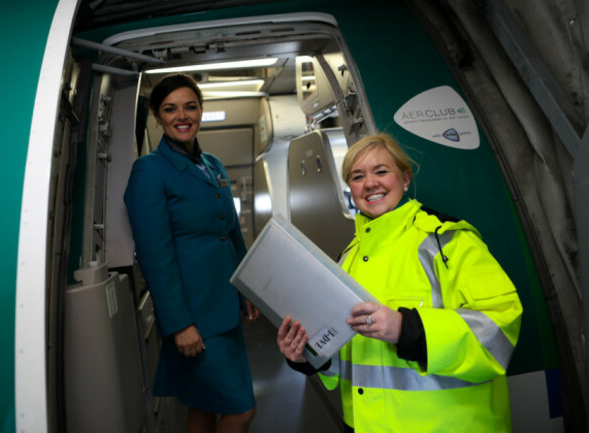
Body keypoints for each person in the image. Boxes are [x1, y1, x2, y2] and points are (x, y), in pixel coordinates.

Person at [277, 133, 523, 432]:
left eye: (381, 171)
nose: (369, 183)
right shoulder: (348, 258)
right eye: (357, 176)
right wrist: (308, 355)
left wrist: (406, 328)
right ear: (350, 189)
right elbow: (351, 357)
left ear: (405, 179)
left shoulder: (447, 240)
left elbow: (500, 325)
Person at [124, 73, 258, 433]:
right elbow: (155, 256)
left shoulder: (212, 165)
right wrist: (180, 324)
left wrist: (246, 287)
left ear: (200, 110)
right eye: (170, 109)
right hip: (193, 315)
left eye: (190, 106)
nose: (182, 116)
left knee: (203, 404)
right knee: (241, 410)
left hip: (224, 307)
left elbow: (230, 232)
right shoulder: (149, 171)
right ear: (157, 115)